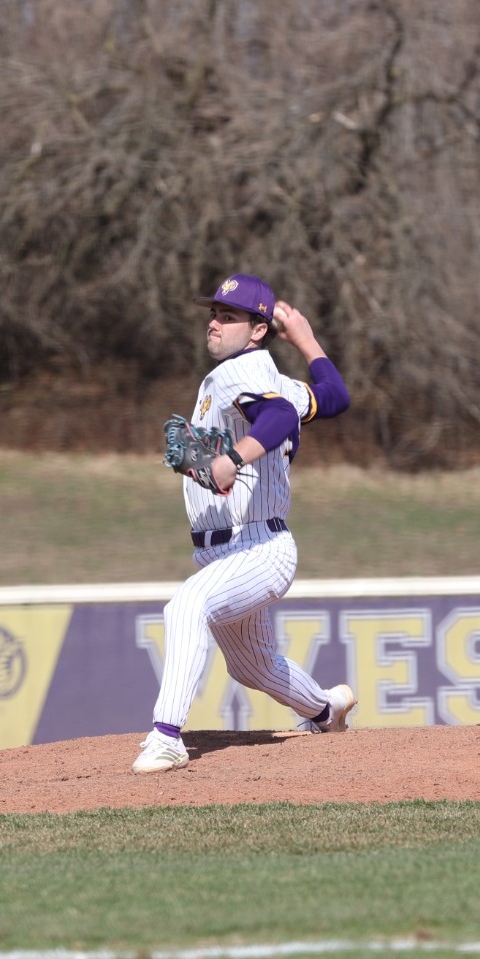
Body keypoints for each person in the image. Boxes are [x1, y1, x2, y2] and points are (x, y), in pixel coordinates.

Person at [133, 274, 358, 774]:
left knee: (186, 605)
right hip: (229, 550)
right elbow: (334, 397)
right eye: (213, 313)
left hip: (258, 546)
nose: (214, 323)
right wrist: (305, 339)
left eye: (228, 316)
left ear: (257, 330)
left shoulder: (244, 374)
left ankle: (166, 736)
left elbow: (276, 415)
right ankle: (326, 710)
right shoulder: (263, 376)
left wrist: (233, 457)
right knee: (252, 666)